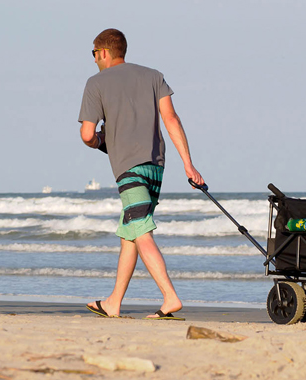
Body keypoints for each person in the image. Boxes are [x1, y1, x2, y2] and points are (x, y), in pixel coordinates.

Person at [78, 28, 204, 320]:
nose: (94, 60)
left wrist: (99, 141)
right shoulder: (153, 76)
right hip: (155, 165)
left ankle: (170, 297)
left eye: (94, 54)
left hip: (128, 166)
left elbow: (86, 134)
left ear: (105, 52)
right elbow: (171, 119)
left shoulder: (96, 83)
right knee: (131, 233)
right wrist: (189, 164)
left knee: (141, 230)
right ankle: (113, 303)